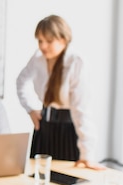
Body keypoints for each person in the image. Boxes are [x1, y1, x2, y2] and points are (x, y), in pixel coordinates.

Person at [16, 14, 102, 170]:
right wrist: (30, 109)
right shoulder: (37, 58)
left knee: (66, 179)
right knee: (38, 176)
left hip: (69, 130)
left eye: (49, 41)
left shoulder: (76, 62)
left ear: (63, 39)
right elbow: (21, 81)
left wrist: (87, 154)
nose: (43, 46)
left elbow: (81, 110)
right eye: (40, 41)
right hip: (44, 128)